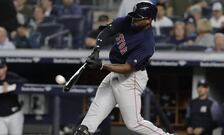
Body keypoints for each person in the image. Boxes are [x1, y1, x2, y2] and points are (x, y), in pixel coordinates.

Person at [74, 2, 174, 135]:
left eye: (138, 18)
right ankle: (85, 130)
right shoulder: (129, 20)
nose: (134, 20)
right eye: (134, 16)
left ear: (149, 21)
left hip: (131, 79)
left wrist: (102, 65)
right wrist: (96, 49)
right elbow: (108, 30)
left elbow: (127, 68)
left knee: (134, 123)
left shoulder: (146, 43)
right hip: (115, 72)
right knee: (96, 108)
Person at [0, 59, 27, 135]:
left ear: (5, 68)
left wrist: (9, 84)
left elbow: (24, 81)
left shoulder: (11, 76)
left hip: (14, 115)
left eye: (1, 67)